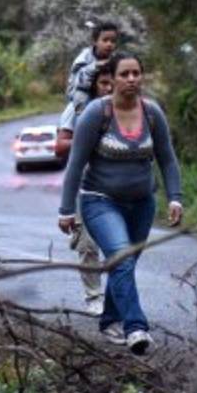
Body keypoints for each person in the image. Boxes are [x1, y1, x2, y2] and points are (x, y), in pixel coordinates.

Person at [58, 51, 183, 356]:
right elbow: (76, 163)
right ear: (111, 79)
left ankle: (110, 320)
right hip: (100, 201)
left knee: (123, 265)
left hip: (142, 204)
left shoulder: (152, 113)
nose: (131, 80)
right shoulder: (95, 114)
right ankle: (135, 327)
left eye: (136, 74)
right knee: (121, 258)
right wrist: (66, 209)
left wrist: (175, 198)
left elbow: (167, 159)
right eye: (124, 74)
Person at [59, 61, 114, 315]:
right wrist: (88, 139)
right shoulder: (78, 109)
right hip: (85, 185)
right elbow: (60, 146)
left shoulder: (126, 110)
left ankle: (117, 298)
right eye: (103, 82)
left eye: (112, 81)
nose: (109, 87)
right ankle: (94, 296)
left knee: (119, 247)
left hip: (118, 186)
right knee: (88, 246)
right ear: (93, 85)